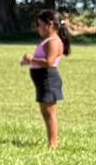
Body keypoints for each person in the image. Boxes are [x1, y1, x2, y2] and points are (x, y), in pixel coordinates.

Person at [21, 9, 71, 150]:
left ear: (49, 24)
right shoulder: (49, 41)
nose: (38, 28)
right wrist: (30, 62)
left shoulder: (54, 42)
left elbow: (49, 62)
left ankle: (53, 144)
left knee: (50, 114)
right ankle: (51, 141)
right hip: (43, 80)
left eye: (39, 24)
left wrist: (32, 59)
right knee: (46, 113)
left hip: (48, 79)